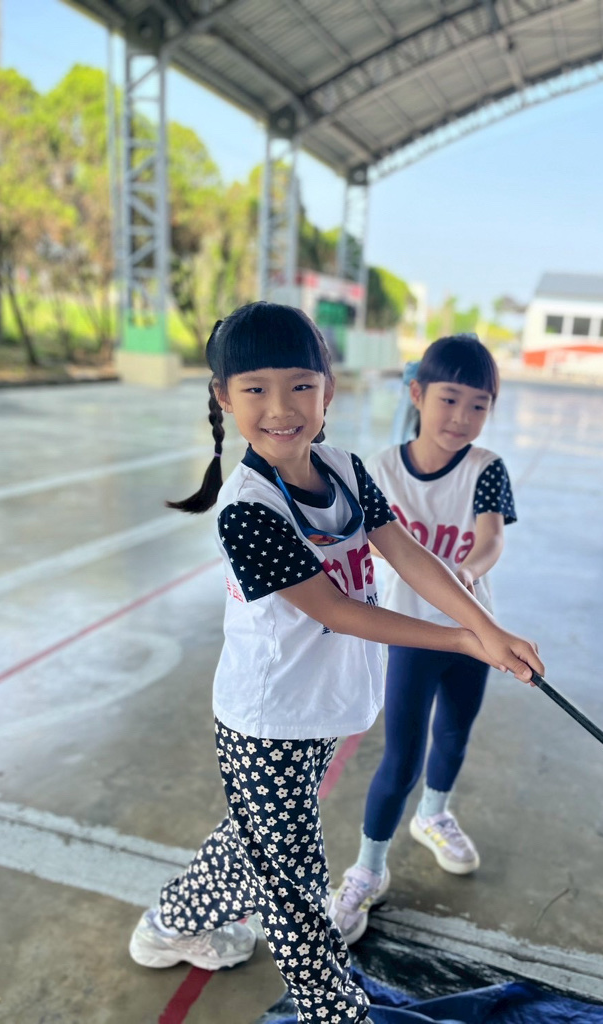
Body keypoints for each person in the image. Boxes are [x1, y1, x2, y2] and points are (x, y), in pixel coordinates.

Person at [128, 304, 543, 1024]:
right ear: (223, 397)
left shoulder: (346, 468)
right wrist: (460, 641)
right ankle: (336, 1013)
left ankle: (167, 925)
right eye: (255, 389)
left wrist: (486, 625)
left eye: (300, 385)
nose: (281, 408)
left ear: (329, 390)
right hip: (267, 723)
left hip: (319, 706)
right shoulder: (247, 509)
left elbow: (406, 551)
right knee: (294, 895)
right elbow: (337, 611)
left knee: (256, 842)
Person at [328, 335, 519, 946]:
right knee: (401, 753)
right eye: (450, 399)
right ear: (417, 394)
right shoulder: (380, 470)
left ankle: (434, 815)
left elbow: (491, 538)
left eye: (478, 405)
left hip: (474, 630)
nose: (462, 417)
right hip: (412, 632)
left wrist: (471, 569)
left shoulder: (486, 468)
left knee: (455, 732)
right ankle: (368, 868)